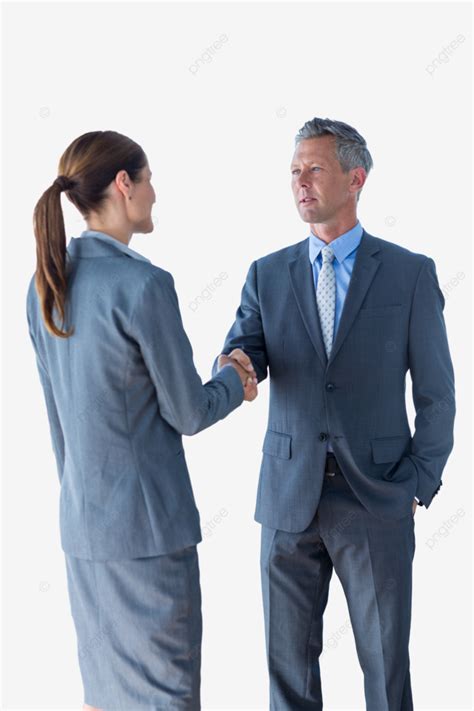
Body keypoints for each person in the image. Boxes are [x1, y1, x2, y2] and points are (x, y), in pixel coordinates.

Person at [213, 117, 456, 710]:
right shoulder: (266, 274)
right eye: (294, 171)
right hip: (287, 500)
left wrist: (418, 483)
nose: (301, 181)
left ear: (356, 177)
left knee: (385, 673)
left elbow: (437, 392)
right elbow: (243, 351)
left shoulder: (409, 273)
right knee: (288, 678)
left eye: (314, 169)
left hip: (375, 497)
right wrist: (233, 367)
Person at [26, 130, 258, 711]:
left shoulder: (44, 288)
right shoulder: (142, 284)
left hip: (84, 534)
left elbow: (60, 428)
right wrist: (234, 375)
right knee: (166, 700)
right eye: (149, 178)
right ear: (124, 184)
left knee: (105, 701)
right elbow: (189, 411)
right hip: (149, 542)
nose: (155, 193)